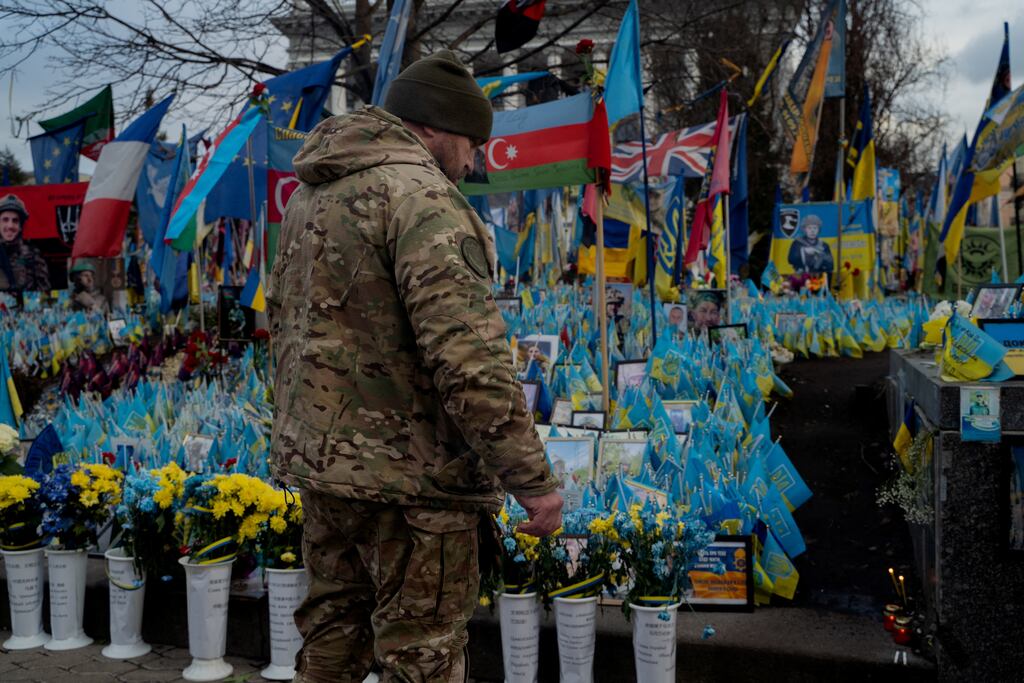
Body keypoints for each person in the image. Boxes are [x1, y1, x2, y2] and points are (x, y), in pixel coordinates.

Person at [266, 50, 562, 683]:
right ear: (435, 127)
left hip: (326, 469)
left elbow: (287, 329)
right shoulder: (422, 197)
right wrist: (532, 480)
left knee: (329, 642)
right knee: (420, 655)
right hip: (414, 486)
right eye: (473, 143)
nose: (476, 161)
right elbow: (471, 361)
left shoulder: (309, 196)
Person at [0, 194, 51, 292]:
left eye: (15, 221)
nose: (10, 225)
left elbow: (44, 292)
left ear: (20, 226)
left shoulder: (32, 254)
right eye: (5, 220)